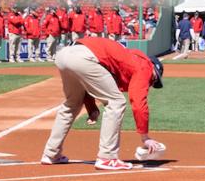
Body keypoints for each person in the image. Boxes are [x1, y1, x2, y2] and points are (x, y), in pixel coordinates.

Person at [41, 36, 164, 171]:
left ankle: (51, 153)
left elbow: (86, 81)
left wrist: (92, 108)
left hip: (64, 54)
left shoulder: (125, 59)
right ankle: (107, 157)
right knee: (116, 102)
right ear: (154, 68)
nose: (151, 83)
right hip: (83, 57)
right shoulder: (145, 66)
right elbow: (138, 103)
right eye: (154, 80)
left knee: (72, 104)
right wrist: (145, 137)